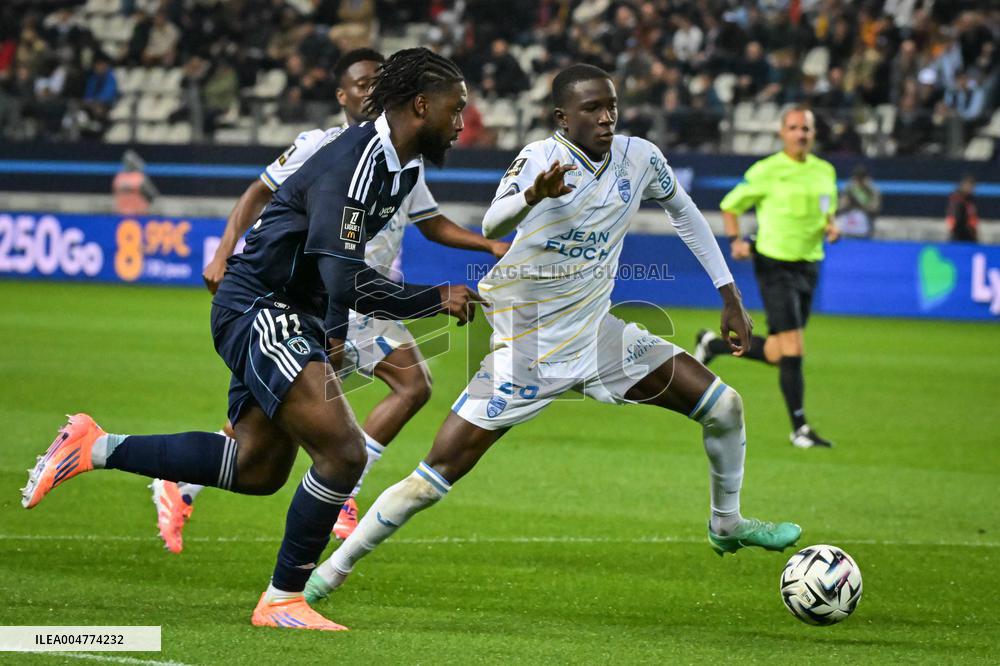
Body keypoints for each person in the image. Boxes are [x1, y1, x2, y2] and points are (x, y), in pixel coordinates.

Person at [303, 64, 802, 605]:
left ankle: (726, 524)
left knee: (724, 405)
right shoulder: (541, 158)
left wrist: (729, 294)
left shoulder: (640, 157)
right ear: (563, 117)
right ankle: (331, 570)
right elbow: (493, 222)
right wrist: (533, 197)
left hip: (598, 337)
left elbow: (685, 213)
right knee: (434, 477)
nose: (607, 116)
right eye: (592, 108)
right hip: (527, 350)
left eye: (611, 104)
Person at [21, 48, 482, 631]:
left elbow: (333, 261)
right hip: (261, 306)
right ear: (421, 104)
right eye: (456, 109)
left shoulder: (401, 165)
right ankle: (284, 599)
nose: (463, 122)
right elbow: (342, 273)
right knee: (341, 452)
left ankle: (93, 446)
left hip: (297, 314)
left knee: (257, 469)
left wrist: (334, 332)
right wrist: (432, 298)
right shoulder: (358, 162)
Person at [153, 48, 509, 554]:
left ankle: (184, 479)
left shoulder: (407, 159)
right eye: (360, 84)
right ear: (343, 95)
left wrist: (488, 244)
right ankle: (326, 511)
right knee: (394, 390)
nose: (369, 91)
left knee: (287, 418)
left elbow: (429, 223)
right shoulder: (325, 147)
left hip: (352, 295)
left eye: (375, 81)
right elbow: (261, 192)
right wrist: (223, 251)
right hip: (329, 293)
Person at [694, 106, 839, 449]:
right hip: (775, 263)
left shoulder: (825, 171)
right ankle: (799, 428)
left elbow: (825, 209)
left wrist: (831, 226)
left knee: (778, 352)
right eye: (794, 128)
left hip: (809, 264)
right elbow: (731, 205)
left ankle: (712, 344)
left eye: (806, 128)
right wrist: (736, 242)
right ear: (782, 133)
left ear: (813, 133)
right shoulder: (767, 170)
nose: (800, 134)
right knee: (795, 348)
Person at [836, 164, 881, 238]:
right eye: (857, 178)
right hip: (849, 215)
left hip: (865, 218)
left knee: (860, 218)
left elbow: (875, 208)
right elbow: (841, 205)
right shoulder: (851, 186)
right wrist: (847, 203)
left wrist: (861, 200)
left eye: (861, 178)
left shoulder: (872, 188)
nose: (858, 181)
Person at [946, 175, 978, 243]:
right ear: (964, 185)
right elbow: (956, 219)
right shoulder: (958, 200)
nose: (972, 189)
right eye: (970, 186)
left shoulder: (969, 200)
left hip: (969, 236)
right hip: (960, 237)